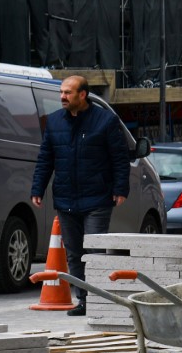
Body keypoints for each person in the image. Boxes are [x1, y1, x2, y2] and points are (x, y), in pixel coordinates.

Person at [31, 75, 131, 316]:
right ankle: (84, 299)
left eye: (68, 92)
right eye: (62, 92)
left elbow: (120, 158)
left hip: (97, 198)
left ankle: (99, 299)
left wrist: (120, 189)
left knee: (94, 250)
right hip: (66, 199)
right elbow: (46, 158)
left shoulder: (105, 121)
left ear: (82, 95)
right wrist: (37, 188)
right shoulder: (54, 122)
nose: (62, 97)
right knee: (75, 252)